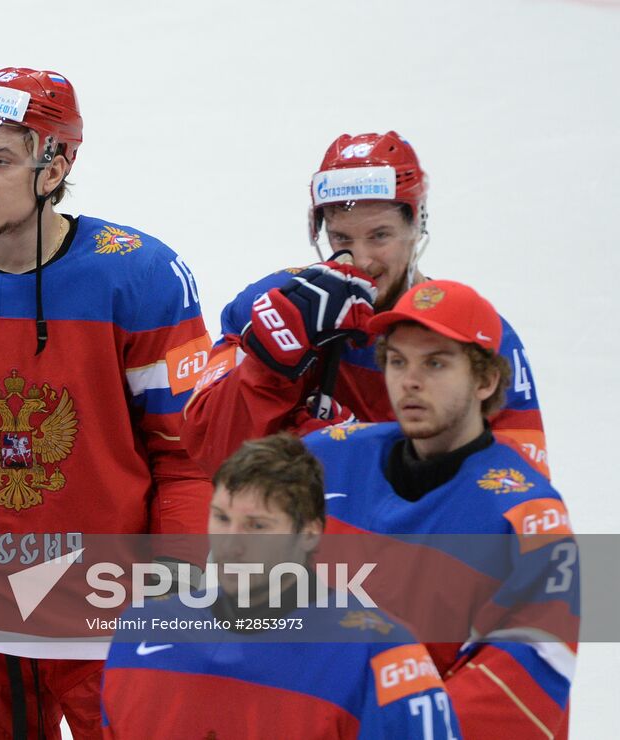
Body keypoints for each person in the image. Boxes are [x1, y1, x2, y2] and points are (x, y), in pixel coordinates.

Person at [0, 68, 213, 739]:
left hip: (111, 612)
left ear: (56, 168)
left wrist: (178, 590)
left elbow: (189, 454)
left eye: (1, 161)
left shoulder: (140, 275)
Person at [182, 132, 549, 478]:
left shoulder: (473, 328)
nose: (362, 260)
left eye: (380, 236)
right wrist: (269, 365)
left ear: (416, 227)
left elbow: (516, 486)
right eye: (342, 237)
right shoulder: (267, 308)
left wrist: (344, 451)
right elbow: (212, 456)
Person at [304, 279, 577, 737]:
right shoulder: (326, 459)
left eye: (435, 363)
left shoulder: (530, 516)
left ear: (486, 380)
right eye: (396, 361)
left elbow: (520, 683)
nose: (409, 380)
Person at [102, 433, 459, 738]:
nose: (231, 544)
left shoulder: (382, 655)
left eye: (257, 526)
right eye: (222, 518)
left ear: (309, 533)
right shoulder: (140, 630)